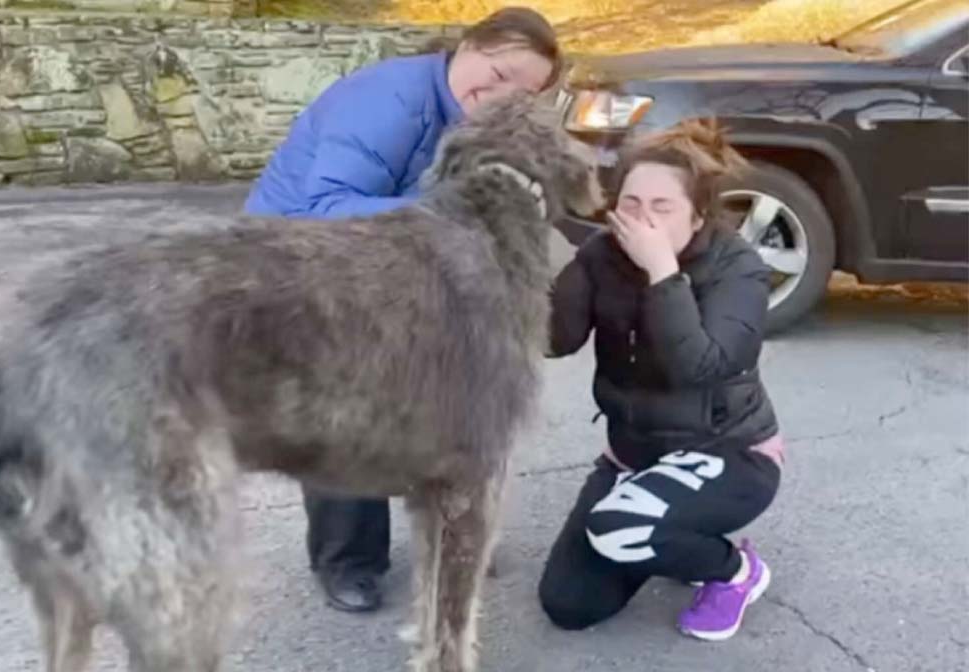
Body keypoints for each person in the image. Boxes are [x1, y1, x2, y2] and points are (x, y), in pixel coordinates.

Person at [243, 7, 563, 613]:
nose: (497, 95)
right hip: (302, 264)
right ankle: (348, 561)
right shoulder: (391, 100)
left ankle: (454, 532)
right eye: (495, 72)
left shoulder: (472, 115)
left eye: (520, 93)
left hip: (396, 268)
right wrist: (449, 214)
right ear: (468, 44)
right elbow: (325, 205)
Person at [537, 119, 787, 641]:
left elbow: (700, 367)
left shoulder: (737, 268)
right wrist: (546, 267)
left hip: (729, 453)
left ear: (697, 216)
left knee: (621, 529)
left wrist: (662, 273)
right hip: (634, 454)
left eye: (662, 207)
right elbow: (555, 342)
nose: (641, 219)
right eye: (630, 204)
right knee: (569, 603)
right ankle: (665, 530)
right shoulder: (603, 255)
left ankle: (735, 571)